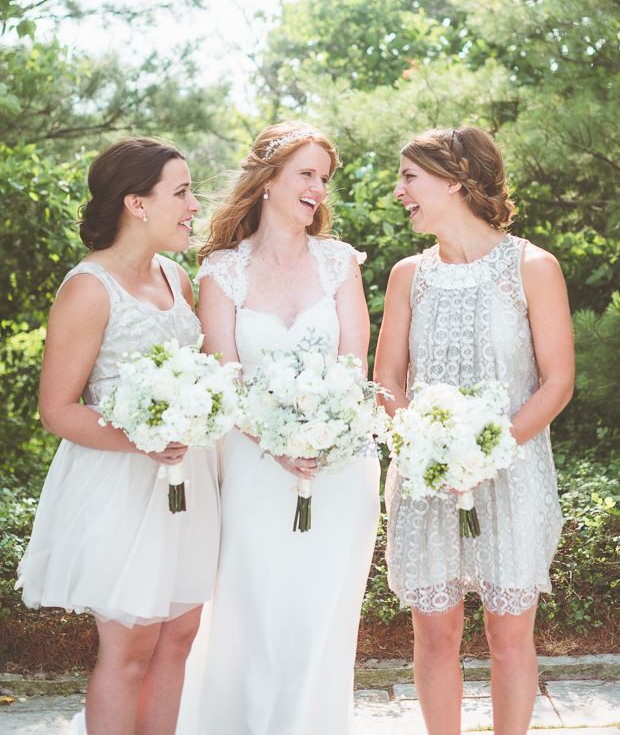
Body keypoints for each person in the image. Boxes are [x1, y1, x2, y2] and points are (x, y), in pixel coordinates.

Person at [177, 121, 380, 735]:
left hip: (341, 466)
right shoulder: (221, 271)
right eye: (307, 174)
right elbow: (225, 379)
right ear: (268, 181)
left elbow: (354, 363)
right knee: (257, 605)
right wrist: (279, 442)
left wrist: (325, 433)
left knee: (324, 611)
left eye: (325, 177)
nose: (319, 187)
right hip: (252, 464)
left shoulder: (340, 263)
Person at [374, 126, 574, 735]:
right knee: (434, 633)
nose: (399, 191)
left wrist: (488, 450)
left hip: (511, 473)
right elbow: (386, 380)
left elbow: (557, 382)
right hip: (425, 476)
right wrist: (427, 448)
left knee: (508, 633)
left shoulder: (533, 267)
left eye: (410, 177)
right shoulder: (410, 275)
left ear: (455, 182)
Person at [16, 138, 220, 735]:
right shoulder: (88, 288)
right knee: (130, 647)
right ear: (136, 202)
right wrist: (143, 438)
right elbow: (57, 408)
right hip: (122, 487)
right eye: (181, 192)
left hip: (187, 480)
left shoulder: (177, 278)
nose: (193, 205)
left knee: (178, 636)